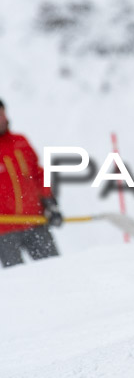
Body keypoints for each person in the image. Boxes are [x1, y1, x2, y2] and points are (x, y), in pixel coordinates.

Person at [0, 99, 63, 267]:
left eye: (1, 113)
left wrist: (49, 202)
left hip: (35, 221)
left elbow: (38, 173)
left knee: (56, 271)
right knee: (19, 283)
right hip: (4, 229)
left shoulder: (20, 141)